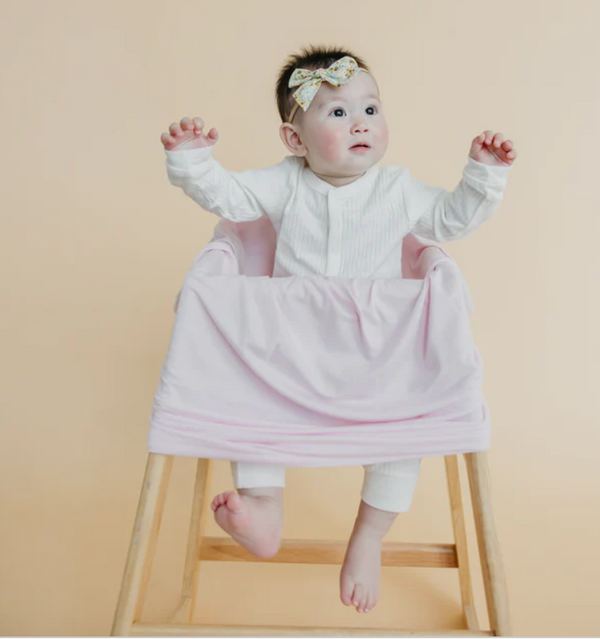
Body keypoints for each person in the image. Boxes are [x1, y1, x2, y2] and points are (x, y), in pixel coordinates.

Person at [159, 44, 517, 614]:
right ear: (295, 140)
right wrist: (192, 162)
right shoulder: (285, 184)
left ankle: (370, 535)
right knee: (253, 410)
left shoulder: (397, 190)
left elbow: (450, 219)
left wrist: (483, 174)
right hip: (289, 349)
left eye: (371, 109)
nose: (361, 124)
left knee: (401, 436)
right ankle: (264, 510)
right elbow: (231, 197)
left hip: (378, 351)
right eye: (338, 112)